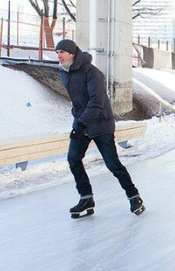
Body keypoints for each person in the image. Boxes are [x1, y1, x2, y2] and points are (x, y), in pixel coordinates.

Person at [55, 39, 145, 218]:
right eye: (57, 53)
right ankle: (86, 198)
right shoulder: (66, 72)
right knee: (73, 159)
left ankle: (134, 197)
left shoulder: (92, 72)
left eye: (62, 52)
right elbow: (77, 100)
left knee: (113, 164)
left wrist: (81, 123)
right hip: (81, 121)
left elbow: (97, 102)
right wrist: (77, 119)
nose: (59, 56)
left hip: (100, 123)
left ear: (72, 54)